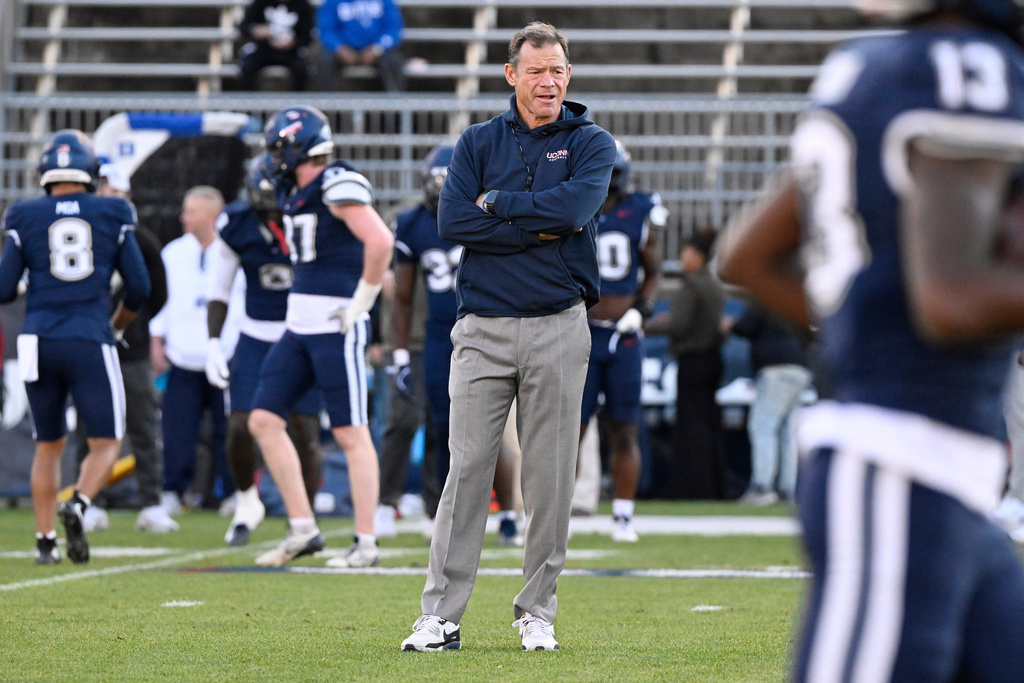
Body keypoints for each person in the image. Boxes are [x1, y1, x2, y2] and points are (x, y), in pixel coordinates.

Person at [716, 0, 1024, 675]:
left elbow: (745, 256)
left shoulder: (868, 65)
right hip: (901, 467)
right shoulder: (966, 69)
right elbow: (952, 299)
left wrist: (859, 335)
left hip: (945, 475)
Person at [401, 22, 615, 653]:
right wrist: (535, 219)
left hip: (558, 323)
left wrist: (498, 207)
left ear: (568, 75)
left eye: (558, 71)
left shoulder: (592, 142)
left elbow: (575, 213)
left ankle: (537, 611)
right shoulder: (475, 141)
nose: (549, 82)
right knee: (465, 470)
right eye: (537, 71)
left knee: (549, 477)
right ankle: (441, 615)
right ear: (512, 75)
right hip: (482, 327)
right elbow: (451, 219)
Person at [248, 106, 393, 568]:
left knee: (351, 432)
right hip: (299, 325)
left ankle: (366, 543)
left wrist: (362, 302)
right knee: (264, 420)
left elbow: (380, 241)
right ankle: (304, 529)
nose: (274, 159)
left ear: (295, 144)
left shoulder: (336, 181)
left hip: (335, 324)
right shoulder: (301, 188)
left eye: (278, 148)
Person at [0, 130, 150, 564]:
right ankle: (79, 502)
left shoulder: (24, 214)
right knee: (106, 442)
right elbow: (139, 287)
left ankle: (45, 541)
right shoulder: (112, 210)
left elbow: (5, 289)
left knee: (48, 444)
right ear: (91, 171)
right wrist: (116, 326)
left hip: (38, 338)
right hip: (88, 335)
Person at [388, 143, 520, 545]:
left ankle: (509, 510)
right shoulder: (411, 222)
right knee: (440, 422)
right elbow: (404, 295)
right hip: (439, 332)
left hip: (487, 325)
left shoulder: (487, 212)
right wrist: (397, 352)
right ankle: (438, 509)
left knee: (491, 428)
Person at [205, 154, 323, 546]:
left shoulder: (313, 214)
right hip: (256, 334)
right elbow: (219, 289)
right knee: (239, 425)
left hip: (303, 331)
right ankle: (246, 501)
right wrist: (212, 344)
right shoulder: (237, 224)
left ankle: (302, 517)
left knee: (304, 429)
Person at [75, 164, 176, 534]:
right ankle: (89, 501)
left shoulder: (141, 239)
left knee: (143, 426)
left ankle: (151, 502)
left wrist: (132, 324)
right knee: (90, 427)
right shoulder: (82, 236)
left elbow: (157, 292)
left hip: (129, 349)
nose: (110, 200)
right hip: (90, 346)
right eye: (104, 192)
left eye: (116, 194)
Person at [579, 139, 665, 542]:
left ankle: (623, 516)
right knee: (569, 431)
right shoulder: (575, 206)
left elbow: (653, 270)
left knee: (624, 426)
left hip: (624, 335)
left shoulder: (641, 210)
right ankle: (552, 516)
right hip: (581, 332)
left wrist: (642, 310)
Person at [150, 186, 237, 515]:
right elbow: (161, 301)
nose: (184, 217)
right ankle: (173, 489)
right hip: (183, 357)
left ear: (211, 217)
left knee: (228, 430)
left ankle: (233, 491)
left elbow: (240, 304)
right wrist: (157, 340)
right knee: (177, 430)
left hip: (223, 358)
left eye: (191, 211)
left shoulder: (231, 251)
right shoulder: (173, 253)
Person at [645, 231, 726, 500]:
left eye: (686, 252)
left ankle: (692, 488)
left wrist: (648, 326)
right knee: (707, 424)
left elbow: (678, 324)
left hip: (693, 361)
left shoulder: (691, 286)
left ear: (698, 257)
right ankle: (712, 486)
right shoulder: (713, 286)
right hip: (711, 359)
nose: (682, 258)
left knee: (691, 428)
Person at [724, 300, 811, 506]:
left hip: (776, 367)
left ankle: (762, 487)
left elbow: (745, 326)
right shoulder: (795, 295)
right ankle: (787, 489)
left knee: (763, 426)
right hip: (800, 367)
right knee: (787, 431)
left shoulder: (767, 295)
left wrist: (729, 324)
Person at [314, 0, 405, 92]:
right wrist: (339, 48)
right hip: (342, 50)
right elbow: (326, 30)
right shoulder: (332, 2)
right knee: (324, 59)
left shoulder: (385, 2)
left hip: (376, 49)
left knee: (393, 60)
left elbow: (393, 29)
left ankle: (395, 102)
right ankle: (325, 103)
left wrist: (376, 49)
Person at [236, 0, 314, 91]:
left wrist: (293, 41)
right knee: (247, 66)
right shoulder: (260, 3)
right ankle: (250, 99)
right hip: (263, 50)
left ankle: (297, 100)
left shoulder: (303, 5)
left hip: (291, 52)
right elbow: (244, 27)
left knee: (302, 68)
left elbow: (307, 36)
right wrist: (256, 30)